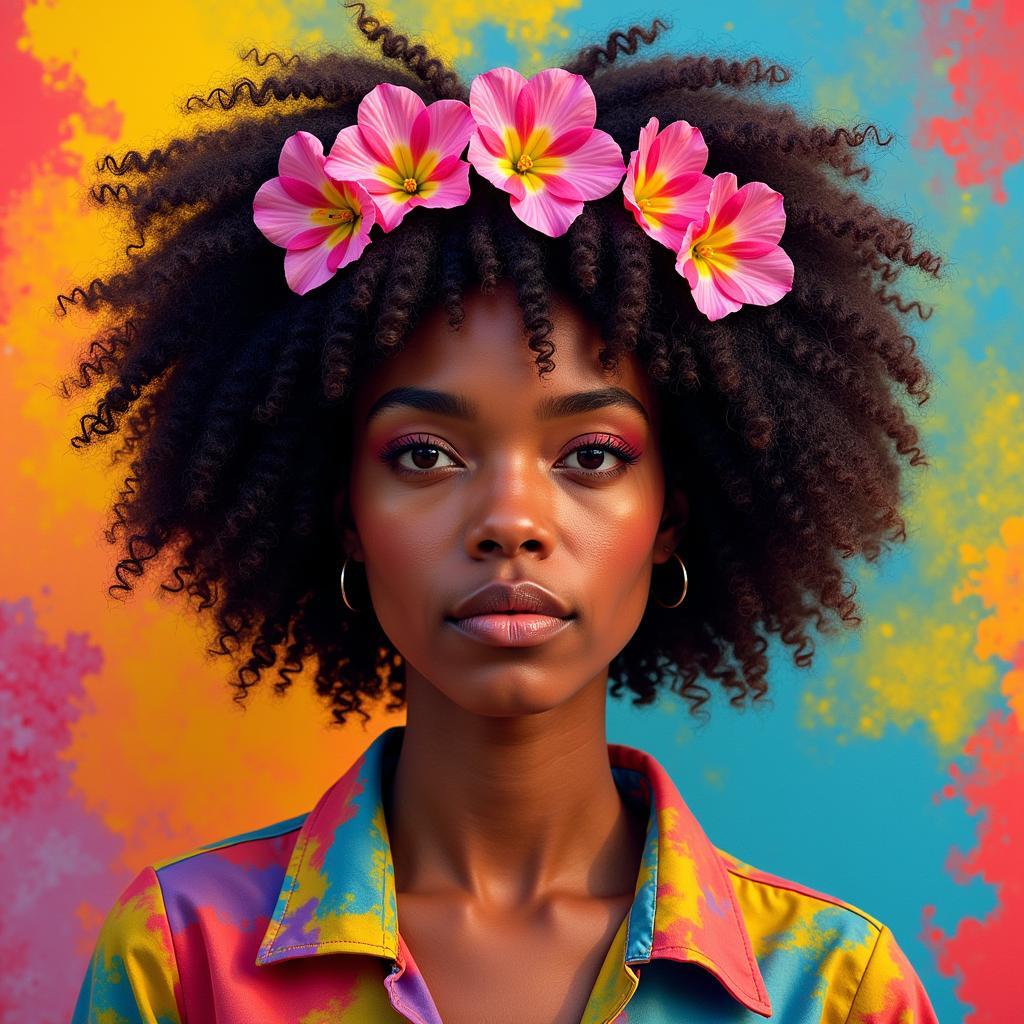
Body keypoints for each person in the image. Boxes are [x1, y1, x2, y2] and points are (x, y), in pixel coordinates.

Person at [66, 4, 943, 1022]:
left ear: (669, 517)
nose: (510, 520)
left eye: (591, 455)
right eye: (425, 454)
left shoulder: (830, 990)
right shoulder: (181, 963)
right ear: (345, 509)